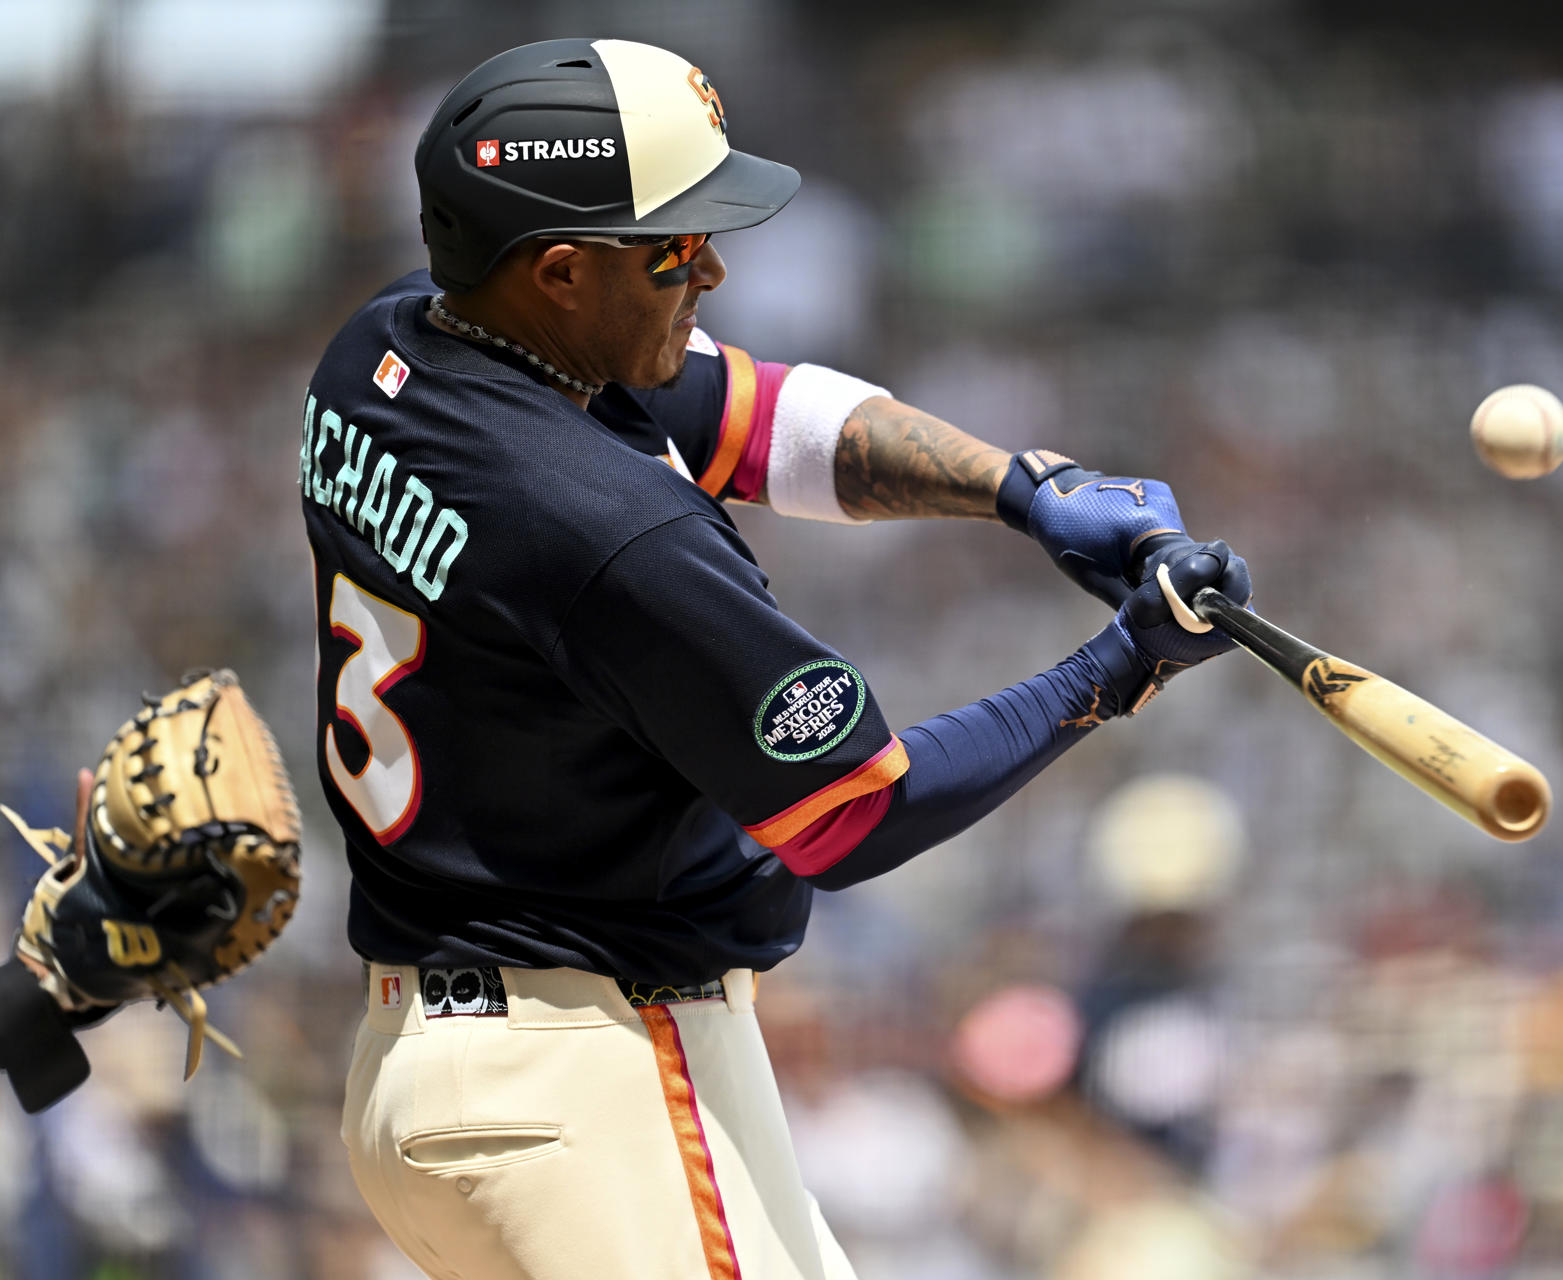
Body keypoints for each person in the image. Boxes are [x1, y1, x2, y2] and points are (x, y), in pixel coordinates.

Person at [309, 38, 1252, 1280]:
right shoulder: (605, 528)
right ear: (558, 269)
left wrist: (1030, 487)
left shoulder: (392, 351)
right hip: (585, 1070)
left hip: (449, 1065)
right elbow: (858, 812)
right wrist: (1115, 668)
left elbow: (765, 419)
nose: (709, 264)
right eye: (671, 244)